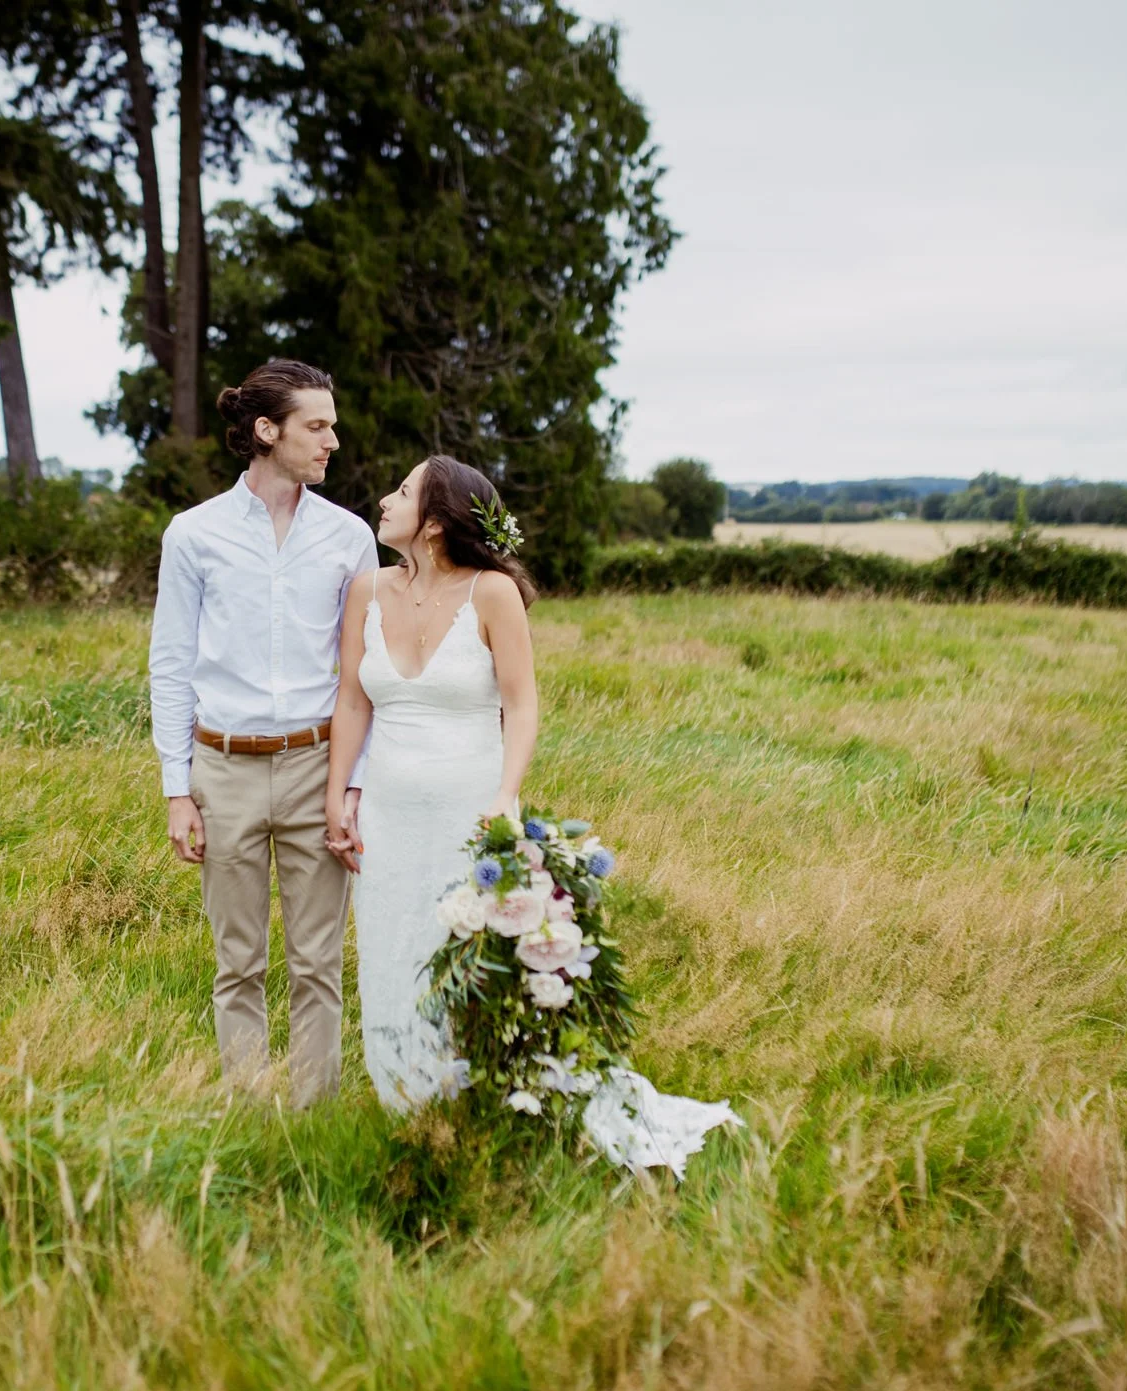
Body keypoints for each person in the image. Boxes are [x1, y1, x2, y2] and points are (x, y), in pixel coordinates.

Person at [325, 456, 742, 1170]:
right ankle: (409, 1106)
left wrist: (506, 796)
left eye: (402, 492)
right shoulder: (365, 589)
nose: (384, 501)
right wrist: (337, 795)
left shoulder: (492, 594)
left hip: (471, 812)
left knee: (467, 956)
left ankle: (485, 1098)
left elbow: (521, 703)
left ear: (433, 522)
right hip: (387, 816)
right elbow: (353, 702)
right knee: (393, 951)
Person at [147, 359, 379, 1106]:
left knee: (318, 965)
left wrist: (353, 783)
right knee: (236, 963)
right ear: (265, 430)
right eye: (318, 425)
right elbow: (171, 665)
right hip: (224, 772)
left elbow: (362, 676)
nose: (332, 441)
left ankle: (313, 1116)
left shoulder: (348, 540)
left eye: (332, 426)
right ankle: (248, 1111)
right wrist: (177, 792)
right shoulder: (193, 536)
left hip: (319, 765)